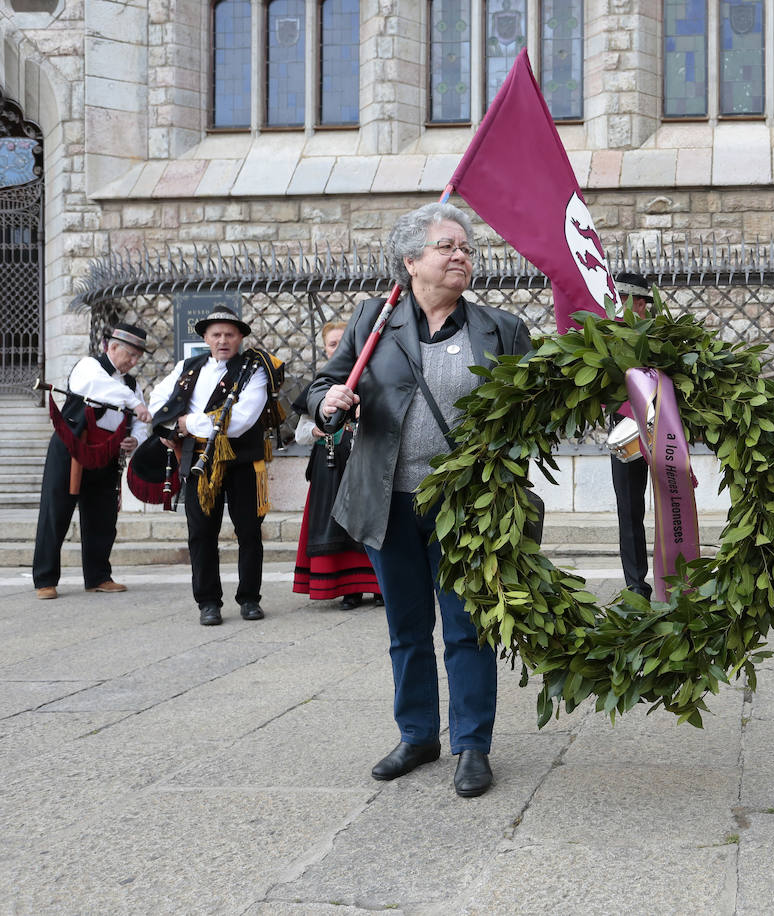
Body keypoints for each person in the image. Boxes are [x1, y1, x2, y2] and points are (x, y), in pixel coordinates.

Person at [307, 202, 533, 799]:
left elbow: (533, 410)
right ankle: (417, 735)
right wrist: (327, 404)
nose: (461, 256)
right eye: (447, 247)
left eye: (466, 248)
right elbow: (324, 383)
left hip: (468, 505)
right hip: (388, 501)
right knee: (406, 626)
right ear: (411, 261)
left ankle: (472, 745)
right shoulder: (372, 322)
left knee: (467, 627)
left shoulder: (500, 329)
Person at [148, 307, 285, 627]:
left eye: (229, 334)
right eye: (216, 334)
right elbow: (157, 401)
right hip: (198, 461)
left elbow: (239, 421)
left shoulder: (255, 369)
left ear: (240, 337)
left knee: (249, 532)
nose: (223, 340)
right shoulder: (187, 366)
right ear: (206, 338)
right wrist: (177, 426)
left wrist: (184, 423)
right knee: (200, 533)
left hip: (243, 459)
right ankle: (208, 602)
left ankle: (250, 598)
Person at [32, 323, 153, 599]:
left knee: (102, 516)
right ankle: (45, 579)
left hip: (106, 454)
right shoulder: (88, 367)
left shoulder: (132, 384)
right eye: (130, 355)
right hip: (72, 447)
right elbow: (99, 388)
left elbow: (141, 424)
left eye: (138, 357)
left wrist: (136, 439)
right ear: (111, 347)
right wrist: (133, 403)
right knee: (56, 512)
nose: (133, 362)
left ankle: (98, 576)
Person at [291, 320, 382, 609]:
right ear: (327, 349)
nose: (338, 347)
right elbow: (300, 433)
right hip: (329, 470)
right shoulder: (320, 387)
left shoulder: (377, 380)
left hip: (368, 469)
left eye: (343, 342)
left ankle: (379, 587)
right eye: (333, 344)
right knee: (335, 527)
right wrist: (318, 428)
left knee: (371, 523)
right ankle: (348, 589)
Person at [608, 271, 654, 599]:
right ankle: (636, 585)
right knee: (629, 510)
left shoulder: (660, 337)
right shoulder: (607, 337)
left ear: (637, 303)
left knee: (675, 505)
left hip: (663, 431)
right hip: (625, 434)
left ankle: (676, 575)